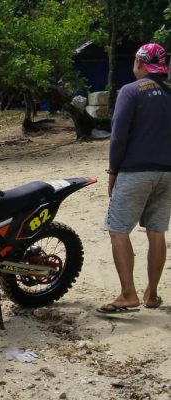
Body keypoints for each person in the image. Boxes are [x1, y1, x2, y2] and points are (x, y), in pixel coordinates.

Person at [97, 43, 171, 314]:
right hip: (168, 173)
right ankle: (151, 294)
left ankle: (128, 294)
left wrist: (113, 172)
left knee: (118, 230)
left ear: (140, 64)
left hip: (136, 172)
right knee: (156, 231)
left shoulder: (130, 91)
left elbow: (118, 137)